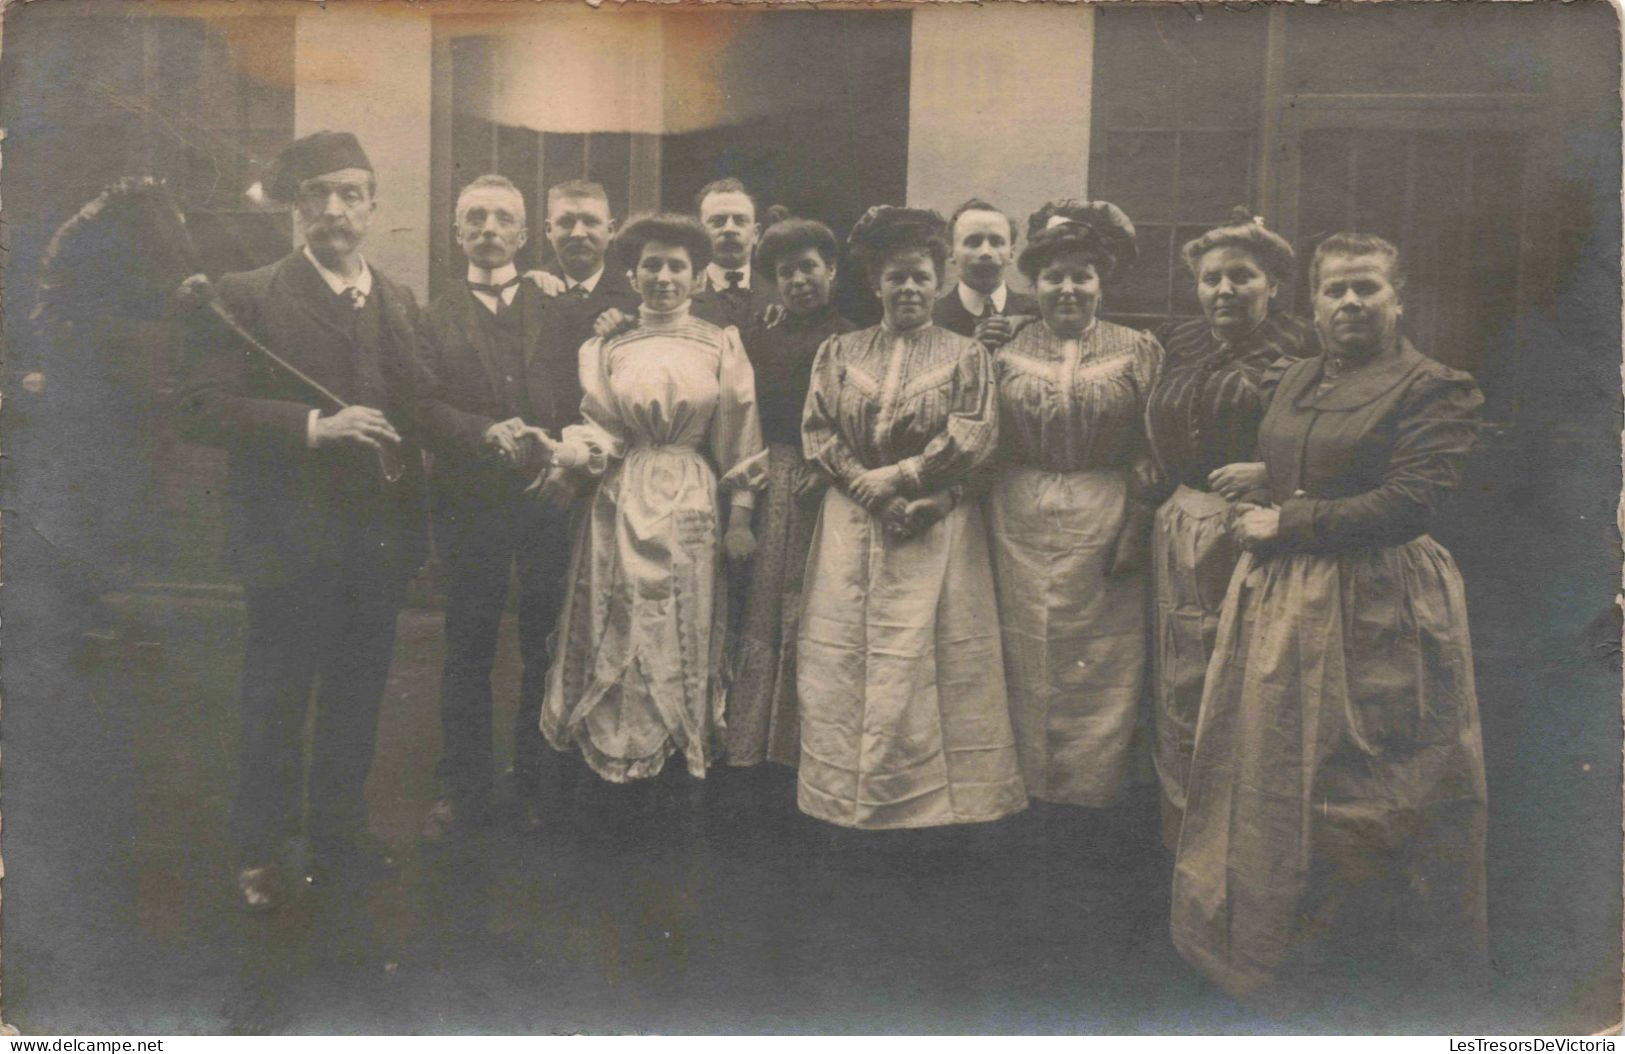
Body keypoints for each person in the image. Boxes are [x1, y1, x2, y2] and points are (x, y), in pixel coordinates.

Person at [1170, 233, 1487, 1005]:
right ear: (1310, 302)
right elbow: (1316, 459)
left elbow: (1413, 499)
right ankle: (1278, 951)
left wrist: (1290, 518)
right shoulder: (1299, 377)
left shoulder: (1433, 387)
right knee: (1276, 772)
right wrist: (1270, 473)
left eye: (1365, 289)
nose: (1349, 303)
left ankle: (1372, 966)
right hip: (1283, 604)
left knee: (1367, 778)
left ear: (1397, 298)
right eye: (1334, 290)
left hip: (1378, 602)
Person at [178, 132, 450, 910]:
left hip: (378, 544)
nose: (334, 209)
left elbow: (424, 404)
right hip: (286, 543)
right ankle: (257, 853)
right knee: (276, 696)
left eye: (351, 193)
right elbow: (197, 409)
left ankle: (337, 838)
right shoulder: (248, 294)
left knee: (357, 697)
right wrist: (311, 427)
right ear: (297, 207)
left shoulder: (396, 301)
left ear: (371, 206)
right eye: (318, 194)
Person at [797, 205, 1025, 830]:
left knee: (928, 664)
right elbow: (818, 430)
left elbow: (973, 432)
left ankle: (930, 812)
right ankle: (847, 800)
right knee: (849, 659)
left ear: (938, 281)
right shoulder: (839, 351)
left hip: (931, 526)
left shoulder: (965, 355)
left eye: (921, 278)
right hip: (853, 524)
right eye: (896, 277)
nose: (908, 289)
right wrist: (867, 488)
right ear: (876, 283)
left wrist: (903, 480)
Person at [534, 213, 766, 786]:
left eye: (676, 266)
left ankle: (676, 761)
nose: (664, 277)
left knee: (678, 619)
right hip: (624, 493)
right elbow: (603, 425)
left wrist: (740, 517)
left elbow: (740, 433)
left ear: (695, 276)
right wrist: (574, 456)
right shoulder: (606, 346)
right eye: (652, 266)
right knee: (617, 616)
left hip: (690, 491)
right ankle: (611, 764)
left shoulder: (720, 343)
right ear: (633, 275)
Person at [983, 199, 1162, 812]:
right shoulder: (1004, 350)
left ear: (1100, 282)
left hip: (1104, 513)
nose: (1067, 288)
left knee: (1102, 655)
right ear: (1033, 284)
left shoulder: (1137, 349)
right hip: (1016, 516)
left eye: (1081, 275)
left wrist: (1137, 524)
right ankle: (1025, 789)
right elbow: (983, 439)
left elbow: (1151, 444)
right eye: (1054, 276)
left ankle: (1093, 794)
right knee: (1022, 649)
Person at [1145, 209, 1315, 850]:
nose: (1224, 290)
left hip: (1258, 536)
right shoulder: (1179, 343)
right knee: (1182, 682)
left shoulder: (1304, 350)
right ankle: (1181, 844)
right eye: (1211, 278)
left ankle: (1241, 845)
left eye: (1241, 277)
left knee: (1243, 682)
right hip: (1179, 525)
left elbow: (1338, 442)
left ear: (1273, 284)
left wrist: (1273, 470)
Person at [416, 175, 576, 840]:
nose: (487, 229)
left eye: (501, 219)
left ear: (524, 234)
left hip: (548, 497)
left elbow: (585, 396)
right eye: (473, 219)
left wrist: (564, 457)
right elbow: (422, 404)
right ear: (457, 235)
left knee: (545, 643)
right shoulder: (432, 314)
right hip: (470, 500)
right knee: (468, 647)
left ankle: (536, 784)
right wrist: (484, 432)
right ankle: (463, 788)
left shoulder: (556, 309)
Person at [724, 214, 855, 771]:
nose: (800, 281)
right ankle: (758, 748)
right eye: (786, 272)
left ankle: (814, 750)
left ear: (831, 270)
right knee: (766, 611)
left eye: (809, 268)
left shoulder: (853, 338)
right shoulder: (761, 337)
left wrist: (830, 467)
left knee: (821, 611)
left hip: (830, 484)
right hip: (775, 482)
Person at [933, 198, 1037, 350]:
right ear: (951, 253)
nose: (986, 252)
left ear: (1012, 253)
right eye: (973, 242)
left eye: (996, 242)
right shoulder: (933, 318)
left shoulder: (1036, 313)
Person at [690, 177, 780, 329]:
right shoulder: (681, 296)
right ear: (700, 233)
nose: (729, 229)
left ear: (756, 234)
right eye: (718, 221)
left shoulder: (779, 297)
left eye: (740, 220)